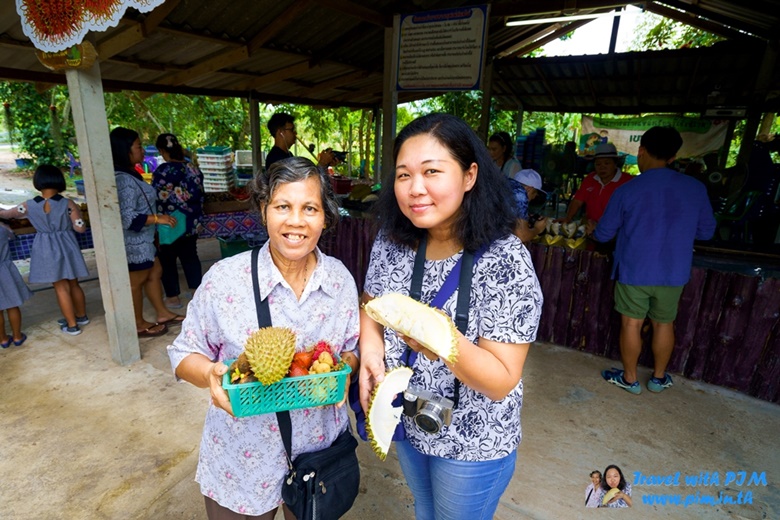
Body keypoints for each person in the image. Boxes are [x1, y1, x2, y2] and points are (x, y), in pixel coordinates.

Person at [359, 113, 543, 520]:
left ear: (469, 175)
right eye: (404, 175)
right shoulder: (393, 242)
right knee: (426, 511)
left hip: (474, 439)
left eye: (432, 172)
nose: (415, 189)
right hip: (409, 419)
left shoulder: (505, 260)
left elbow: (500, 381)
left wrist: (443, 342)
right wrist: (371, 351)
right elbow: (370, 304)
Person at [167, 156, 360, 519]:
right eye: (283, 206)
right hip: (242, 456)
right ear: (263, 209)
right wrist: (209, 374)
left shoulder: (340, 280)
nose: (296, 221)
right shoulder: (225, 280)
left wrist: (345, 367)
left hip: (318, 453)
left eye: (310, 208)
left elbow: (351, 349)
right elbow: (183, 353)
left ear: (325, 216)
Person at [589, 126, 716, 394]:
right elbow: (706, 232)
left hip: (634, 270)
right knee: (664, 323)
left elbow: (603, 234)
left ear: (641, 150)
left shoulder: (627, 189)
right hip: (674, 272)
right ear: (672, 156)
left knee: (631, 324)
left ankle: (630, 378)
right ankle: (659, 378)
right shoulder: (695, 188)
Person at [111, 127, 184, 338]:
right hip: (134, 243)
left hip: (145, 239)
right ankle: (138, 323)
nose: (143, 151)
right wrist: (156, 219)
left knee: (155, 272)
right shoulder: (122, 180)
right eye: (138, 146)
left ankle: (161, 313)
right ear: (124, 150)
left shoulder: (130, 174)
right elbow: (126, 217)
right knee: (136, 282)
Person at [0, 164, 89, 336]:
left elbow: (9, 214)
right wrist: (78, 220)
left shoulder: (28, 205)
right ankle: (81, 316)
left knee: (60, 287)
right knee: (73, 282)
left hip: (46, 247)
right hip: (67, 245)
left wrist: (2, 213)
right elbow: (80, 228)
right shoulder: (67, 203)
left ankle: (72, 325)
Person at [152, 133, 204, 309]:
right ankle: (196, 292)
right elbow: (200, 195)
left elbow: (157, 197)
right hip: (191, 222)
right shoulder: (193, 169)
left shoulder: (162, 171)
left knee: (168, 259)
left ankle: (173, 297)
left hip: (170, 222)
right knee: (190, 256)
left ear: (161, 150)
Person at [558, 143, 632, 225]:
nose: (602, 167)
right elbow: (577, 201)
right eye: (598, 164)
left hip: (616, 229)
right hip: (590, 226)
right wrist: (568, 218)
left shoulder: (628, 182)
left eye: (607, 163)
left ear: (615, 164)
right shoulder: (590, 179)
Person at [265, 112, 338, 171]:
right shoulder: (275, 159)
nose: (295, 133)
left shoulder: (288, 154)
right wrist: (322, 163)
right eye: (291, 130)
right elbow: (298, 182)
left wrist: (326, 164)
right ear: (281, 132)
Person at [0, 220, 32, 348]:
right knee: (12, 305)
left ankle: (3, 339)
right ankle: (17, 336)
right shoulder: (2, 229)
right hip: (5, 270)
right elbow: (12, 235)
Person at [510, 168, 547, 243]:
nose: (533, 198)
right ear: (529, 189)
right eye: (534, 193)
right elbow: (522, 236)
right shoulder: (519, 195)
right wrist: (538, 229)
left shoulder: (504, 189)